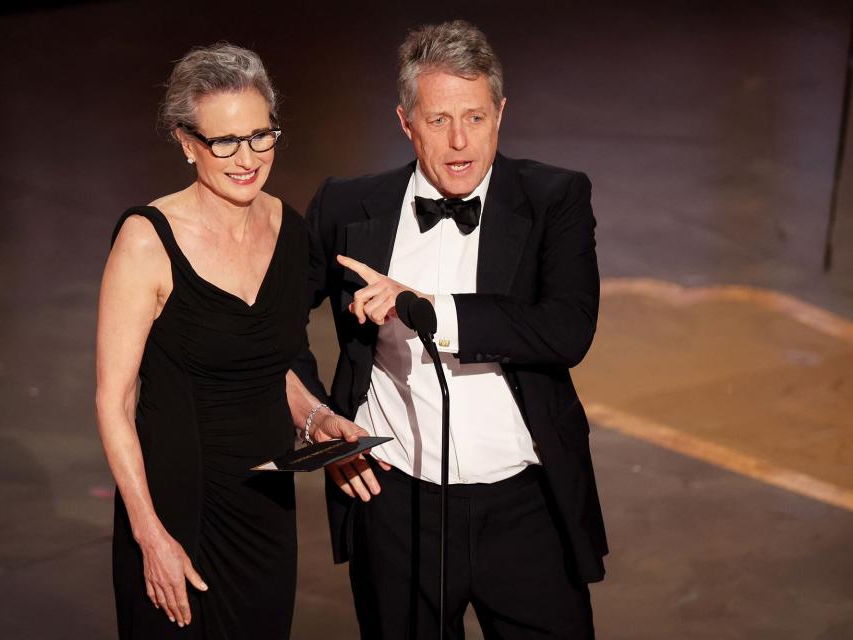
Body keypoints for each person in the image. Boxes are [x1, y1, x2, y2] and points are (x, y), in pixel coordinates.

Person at [289, 20, 608, 639]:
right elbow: (271, 327)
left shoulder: (554, 199)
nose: (460, 141)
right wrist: (314, 419)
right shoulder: (348, 208)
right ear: (405, 121)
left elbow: (568, 329)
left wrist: (433, 309)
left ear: (501, 113)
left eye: (476, 117)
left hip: (527, 506)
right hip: (396, 508)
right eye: (439, 121)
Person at [95, 43, 354, 639]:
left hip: (264, 506)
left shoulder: (290, 231)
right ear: (187, 143)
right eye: (225, 142)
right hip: (175, 508)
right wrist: (149, 534)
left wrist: (317, 418)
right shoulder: (147, 240)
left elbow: (266, 363)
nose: (247, 158)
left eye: (261, 136)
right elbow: (114, 401)